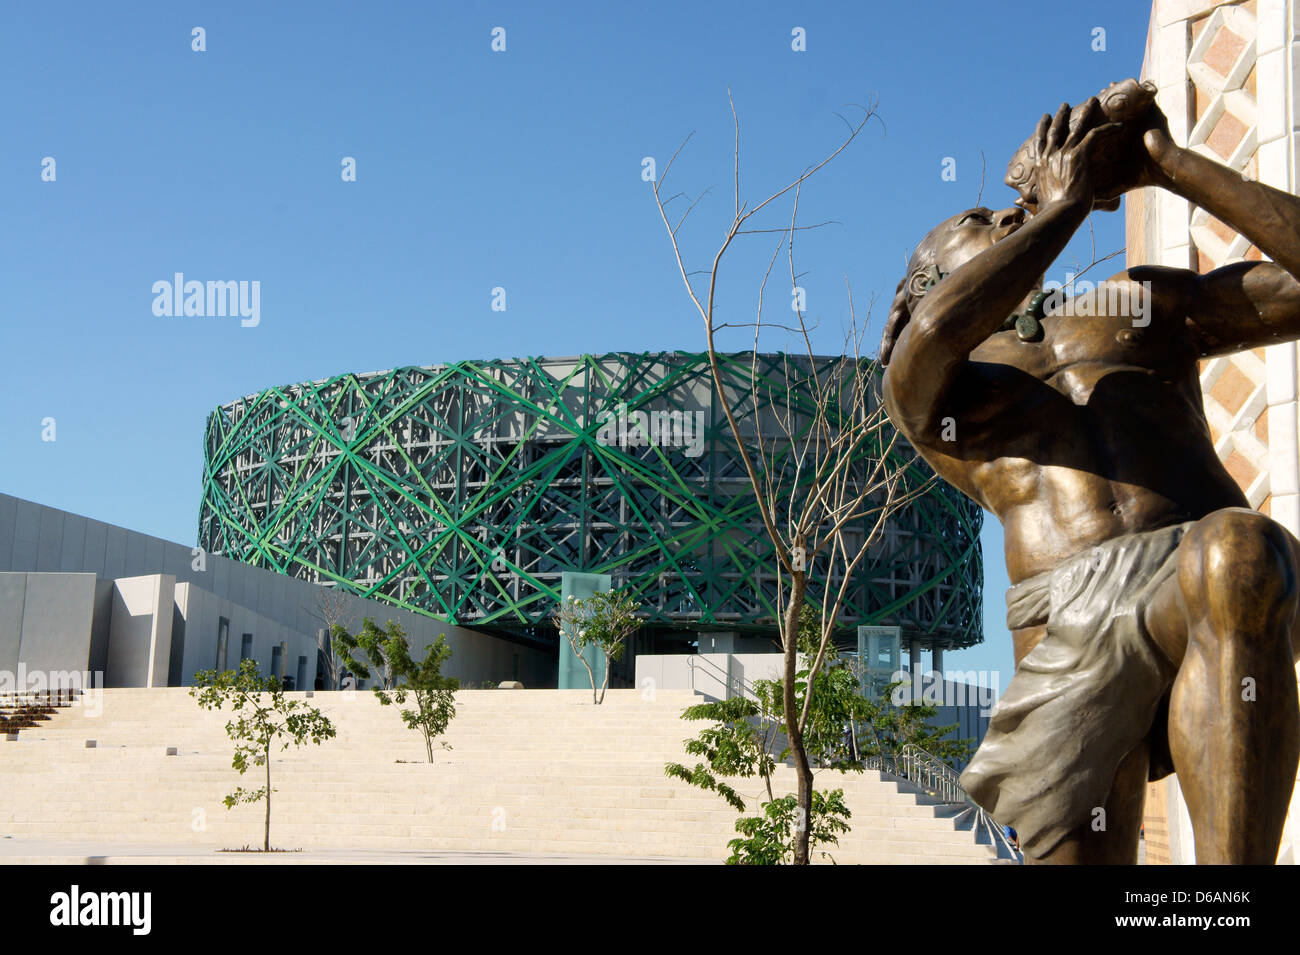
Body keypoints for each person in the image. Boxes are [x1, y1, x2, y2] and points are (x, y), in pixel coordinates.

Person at [881, 81, 1300, 864]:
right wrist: (1061, 208)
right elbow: (941, 326)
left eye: (1003, 210)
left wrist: (1168, 165)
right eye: (974, 221)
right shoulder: (934, 380)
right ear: (923, 282)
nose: (1002, 215)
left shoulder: (1138, 304)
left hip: (1189, 571)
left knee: (1239, 550)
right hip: (1061, 629)